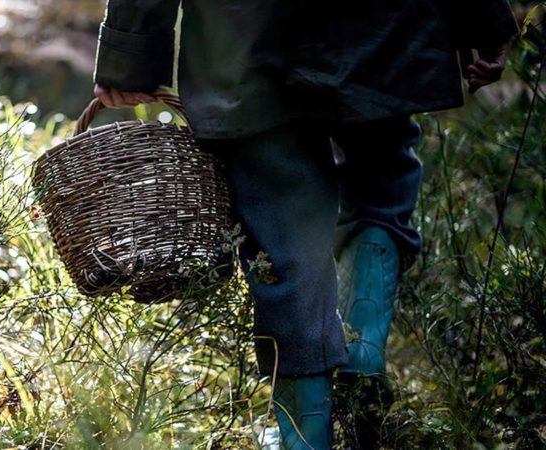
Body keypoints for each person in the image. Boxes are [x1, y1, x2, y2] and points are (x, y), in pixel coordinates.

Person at [91, 1, 518, 448]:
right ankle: (364, 347)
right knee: (382, 179)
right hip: (381, 28)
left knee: (283, 237)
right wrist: (484, 20)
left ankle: (305, 437)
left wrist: (129, 56)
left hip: (244, 39)